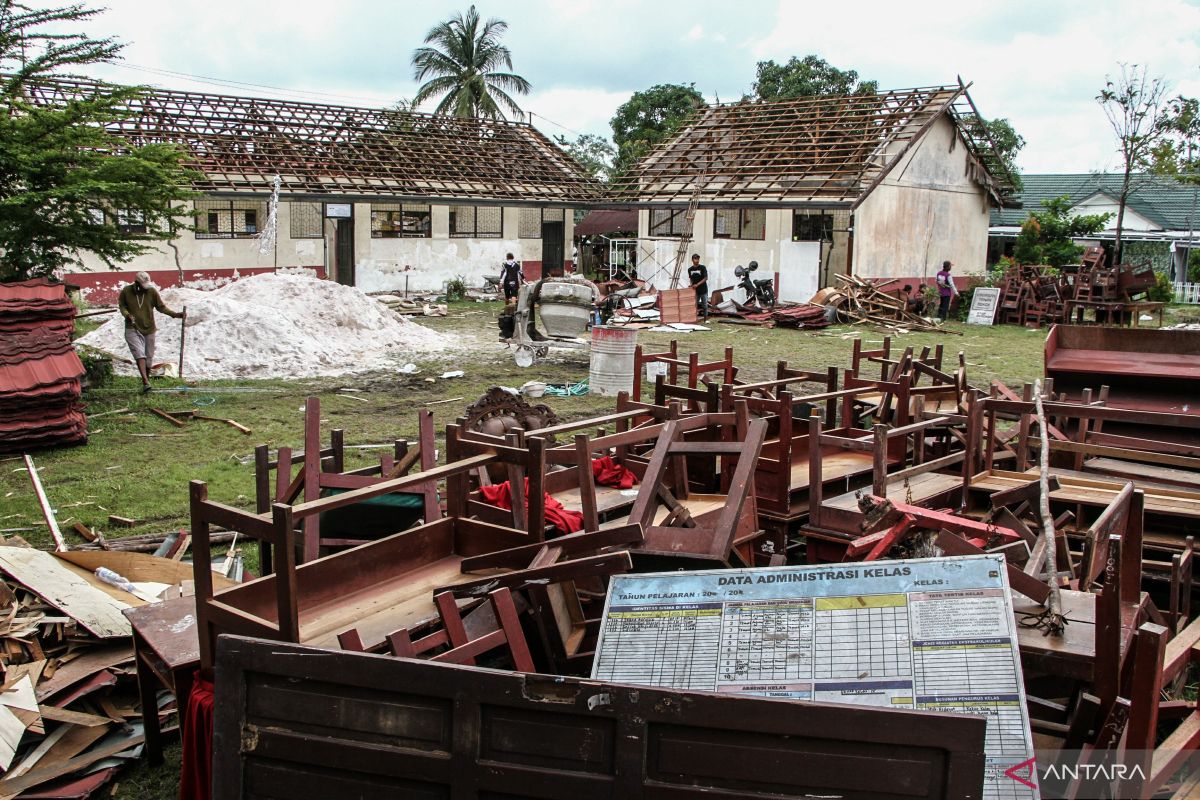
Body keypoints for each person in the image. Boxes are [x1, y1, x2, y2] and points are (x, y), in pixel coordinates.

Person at [118, 271, 184, 393]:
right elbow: (122, 306)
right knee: (139, 353)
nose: (145, 288)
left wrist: (175, 314)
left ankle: (146, 382)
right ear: (137, 283)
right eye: (143, 285)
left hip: (149, 328)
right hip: (132, 328)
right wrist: (127, 315)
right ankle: (145, 381)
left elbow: (161, 307)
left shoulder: (152, 291)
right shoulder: (126, 291)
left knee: (149, 357)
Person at [687, 253, 708, 318]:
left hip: (703, 290)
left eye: (698, 259)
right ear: (692, 260)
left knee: (704, 305)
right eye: (695, 259)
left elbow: (705, 278)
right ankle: (694, 318)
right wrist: (691, 284)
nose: (697, 260)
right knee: (695, 305)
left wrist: (697, 284)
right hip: (695, 291)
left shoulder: (702, 267)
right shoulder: (690, 269)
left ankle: (705, 319)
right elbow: (691, 279)